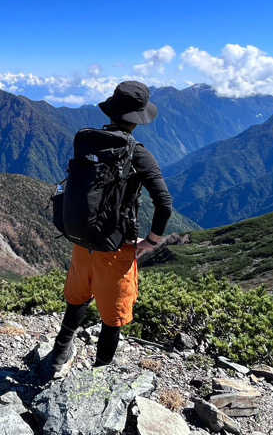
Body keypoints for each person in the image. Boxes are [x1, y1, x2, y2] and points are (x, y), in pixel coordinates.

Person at [42, 80, 173, 376]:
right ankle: (100, 376)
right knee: (114, 314)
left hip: (83, 237)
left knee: (77, 297)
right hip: (116, 246)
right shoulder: (137, 154)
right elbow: (164, 203)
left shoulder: (87, 140)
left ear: (112, 111)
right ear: (137, 119)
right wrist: (152, 240)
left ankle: (59, 354)